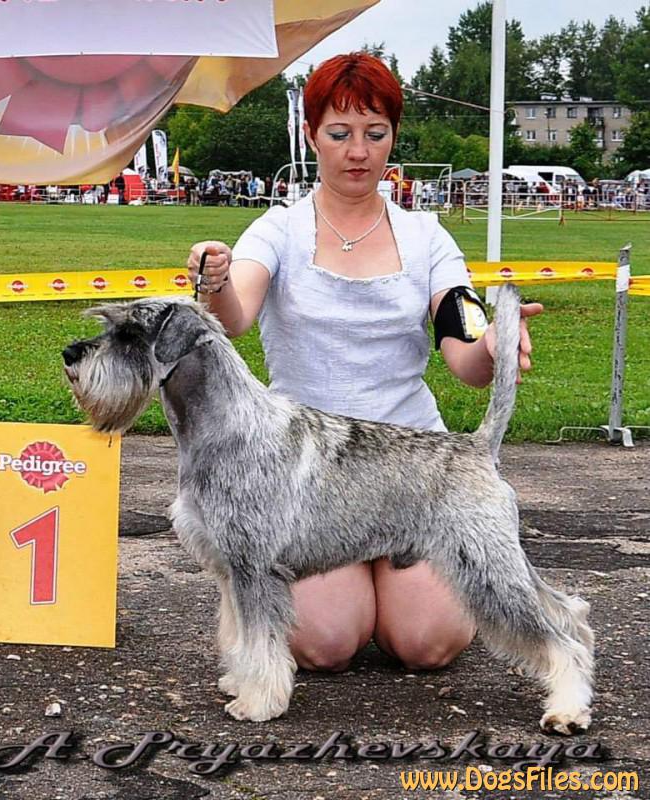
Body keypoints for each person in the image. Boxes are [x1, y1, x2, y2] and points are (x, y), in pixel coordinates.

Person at [187, 53, 542, 674]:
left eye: (375, 134)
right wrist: (213, 280)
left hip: (416, 473)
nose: (358, 152)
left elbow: (464, 352)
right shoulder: (277, 229)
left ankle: (387, 587)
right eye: (339, 133)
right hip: (306, 477)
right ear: (311, 136)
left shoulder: (428, 237)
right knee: (324, 644)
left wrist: (493, 345)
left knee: (427, 644)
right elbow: (234, 315)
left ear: (393, 137)